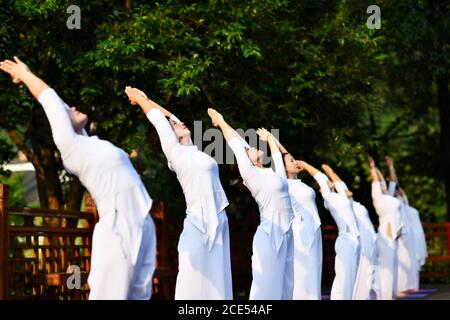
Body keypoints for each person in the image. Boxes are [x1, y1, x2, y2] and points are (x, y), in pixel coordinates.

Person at [0, 57, 156, 300]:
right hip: (117, 227)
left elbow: (59, 105)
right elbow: (50, 99)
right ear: (58, 129)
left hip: (142, 223)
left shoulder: (85, 141)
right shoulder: (70, 146)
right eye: (66, 112)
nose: (71, 108)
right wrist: (26, 74)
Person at [124, 87, 232, 299]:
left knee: (218, 282)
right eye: (173, 125)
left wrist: (146, 97)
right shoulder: (176, 154)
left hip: (219, 220)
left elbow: (169, 116)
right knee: (192, 284)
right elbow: (159, 120)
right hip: (198, 223)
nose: (178, 122)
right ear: (167, 135)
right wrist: (139, 99)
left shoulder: (191, 149)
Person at [208, 109, 294, 300]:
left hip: (287, 233)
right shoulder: (251, 175)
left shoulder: (273, 174)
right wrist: (222, 122)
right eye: (249, 150)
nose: (251, 147)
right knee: (266, 289)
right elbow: (236, 144)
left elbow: (277, 159)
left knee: (285, 288)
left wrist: (271, 139)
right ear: (245, 160)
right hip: (270, 234)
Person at [256, 128, 322, 300]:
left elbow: (286, 155)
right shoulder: (283, 182)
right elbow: (282, 157)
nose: (295, 161)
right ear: (283, 167)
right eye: (291, 161)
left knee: (314, 271)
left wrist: (274, 140)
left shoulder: (299, 183)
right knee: (301, 273)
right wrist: (271, 141)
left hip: (313, 230)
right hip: (299, 232)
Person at [299, 161, 360, 300]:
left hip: (354, 240)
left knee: (350, 278)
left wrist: (330, 171)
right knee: (343, 278)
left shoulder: (341, 196)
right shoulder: (329, 198)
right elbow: (320, 176)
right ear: (322, 190)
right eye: (325, 182)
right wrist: (305, 164)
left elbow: (339, 183)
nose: (328, 181)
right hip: (345, 240)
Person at [322, 165, 380, 300]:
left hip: (369, 240)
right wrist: (330, 172)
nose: (347, 190)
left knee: (368, 272)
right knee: (360, 272)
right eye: (343, 190)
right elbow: (339, 185)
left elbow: (341, 184)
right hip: (360, 239)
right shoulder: (344, 204)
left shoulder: (355, 204)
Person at [385, 156, 423, 293]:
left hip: (408, 232)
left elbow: (396, 183)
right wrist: (391, 166)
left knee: (410, 259)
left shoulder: (401, 198)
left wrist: (391, 166)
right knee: (402, 259)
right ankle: (401, 287)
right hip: (399, 231)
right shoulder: (388, 197)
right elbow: (394, 181)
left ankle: (411, 285)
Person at [369, 156, 402, 300]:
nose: (384, 184)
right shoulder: (378, 197)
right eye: (381, 183)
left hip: (394, 236)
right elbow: (376, 180)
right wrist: (372, 165)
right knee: (386, 270)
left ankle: (390, 295)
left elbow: (393, 181)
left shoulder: (388, 195)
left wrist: (391, 166)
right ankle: (385, 297)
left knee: (392, 269)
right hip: (386, 237)